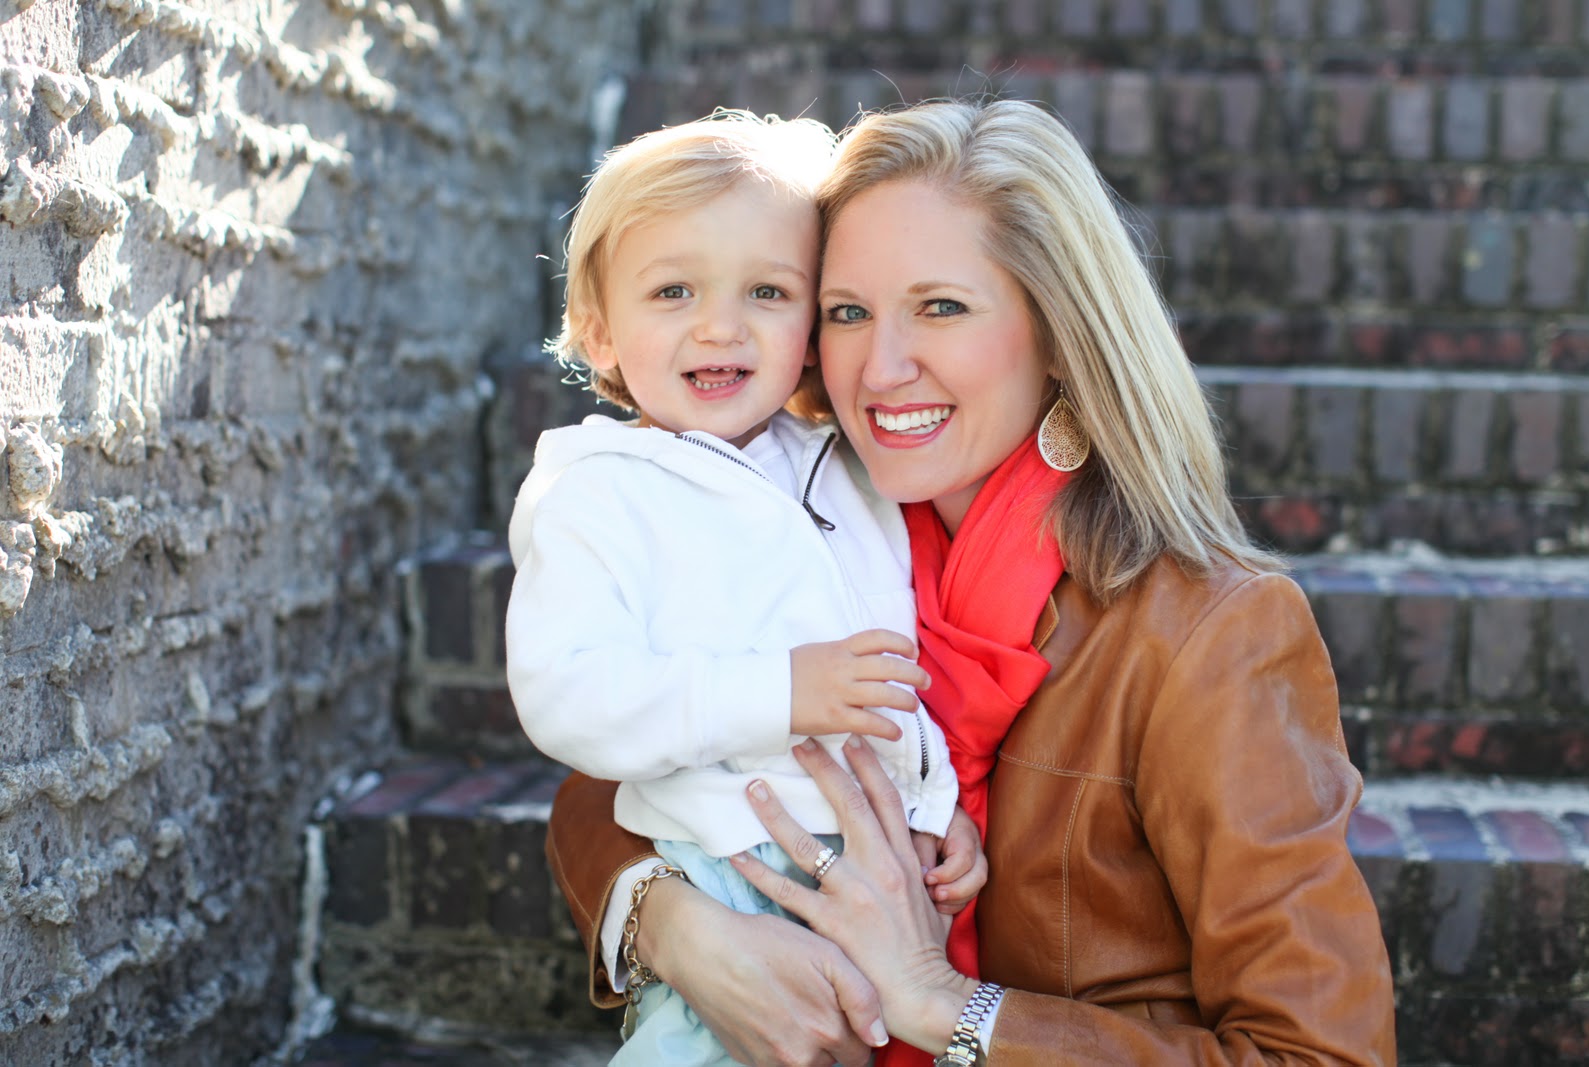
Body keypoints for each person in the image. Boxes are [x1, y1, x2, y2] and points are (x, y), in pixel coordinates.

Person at [545, 98, 1398, 1066]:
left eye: (941, 307)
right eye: (848, 312)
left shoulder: (1210, 633)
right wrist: (676, 926)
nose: (882, 368)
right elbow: (611, 763)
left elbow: (1320, 1053)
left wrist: (947, 1004)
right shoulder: (810, 527)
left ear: (1060, 333)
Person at [504, 110, 985, 1066]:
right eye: (673, 290)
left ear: (810, 328)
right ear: (599, 331)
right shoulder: (599, 490)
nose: (721, 325)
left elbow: (889, 656)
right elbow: (568, 695)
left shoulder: (849, 468)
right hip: (725, 867)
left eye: (767, 290)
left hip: (878, 874)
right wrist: (778, 690)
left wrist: (933, 807)